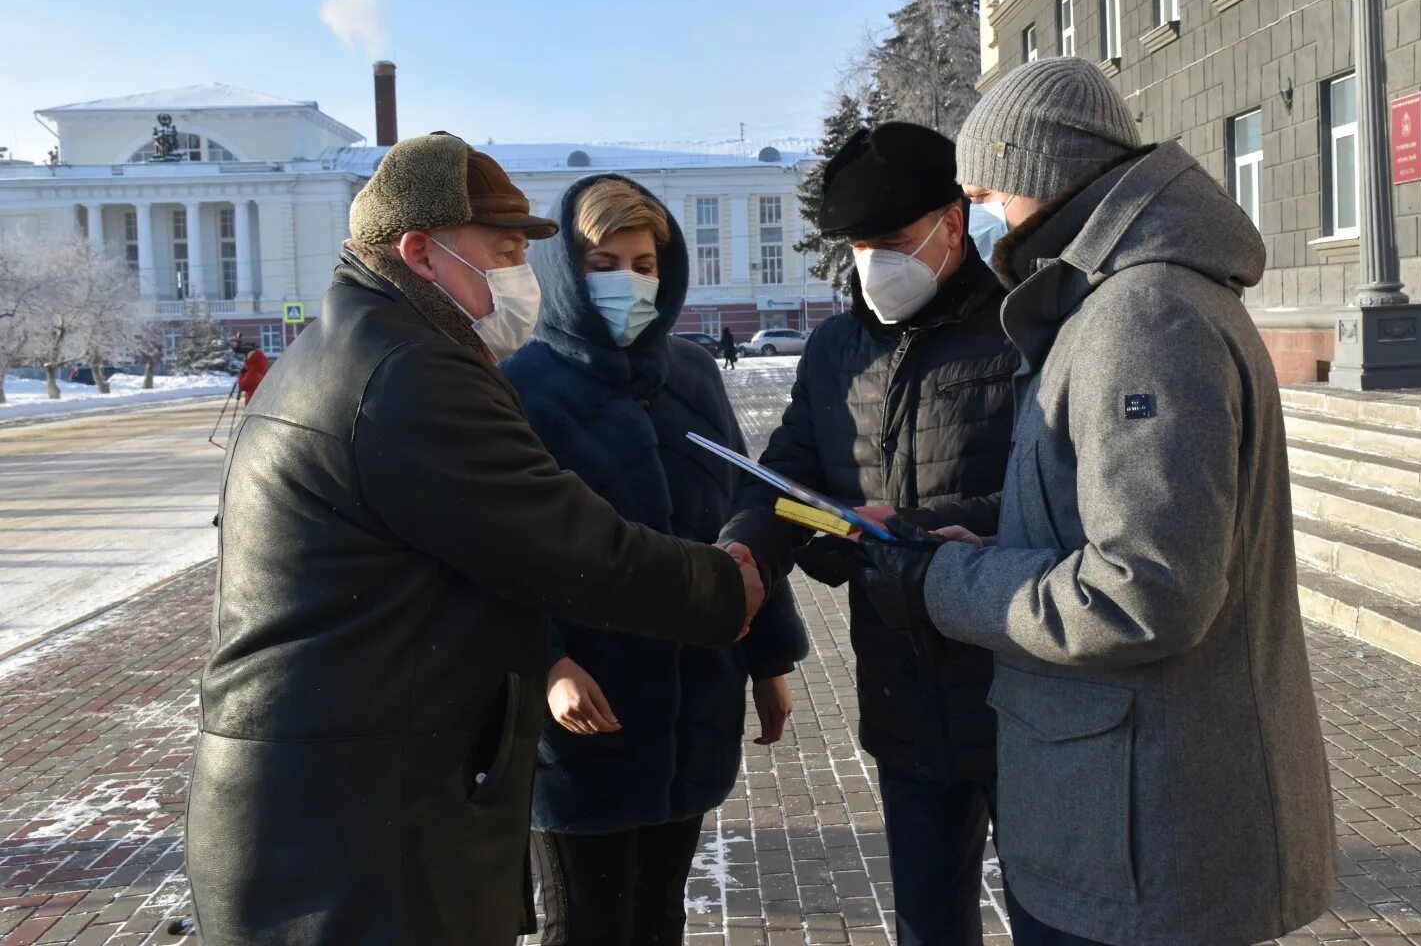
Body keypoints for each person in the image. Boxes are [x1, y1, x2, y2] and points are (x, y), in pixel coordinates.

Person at [186, 133, 766, 946]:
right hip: (349, 829)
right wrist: (723, 589)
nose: (519, 276)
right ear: (421, 253)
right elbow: (567, 546)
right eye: (501, 253)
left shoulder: (369, 346)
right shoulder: (407, 374)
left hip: (342, 799)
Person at [853, 58, 1336, 946]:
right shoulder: (1118, 301)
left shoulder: (1141, 316)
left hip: (1143, 834)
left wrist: (943, 583)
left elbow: (1145, 592)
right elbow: (1104, 520)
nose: (984, 213)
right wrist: (983, 540)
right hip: (1129, 819)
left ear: (1043, 172)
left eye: (988, 188)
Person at [721, 122, 1019, 946]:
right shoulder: (834, 349)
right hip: (901, 692)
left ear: (951, 224)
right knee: (928, 922)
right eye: (857, 245)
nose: (871, 263)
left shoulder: (1023, 331)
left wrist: (913, 532)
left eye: (890, 241)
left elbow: (1054, 497)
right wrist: (747, 549)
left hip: (1019, 689)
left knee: (1054, 914)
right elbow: (788, 474)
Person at [501, 175, 808, 945]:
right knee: (587, 924)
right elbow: (491, 556)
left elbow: (747, 514)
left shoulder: (693, 376)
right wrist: (547, 664)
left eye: (643, 265)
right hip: (583, 722)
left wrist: (769, 661)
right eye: (604, 264)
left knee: (659, 916)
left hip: (695, 704)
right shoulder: (519, 391)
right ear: (567, 273)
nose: (628, 282)